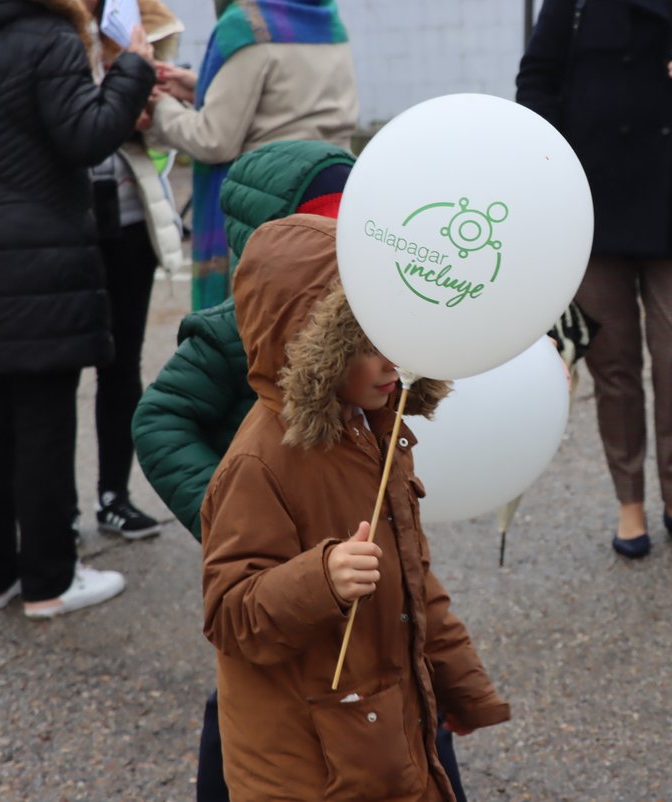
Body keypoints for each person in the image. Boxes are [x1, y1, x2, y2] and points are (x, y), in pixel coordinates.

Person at [133, 141, 476, 802]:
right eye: (329, 225)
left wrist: (462, 683)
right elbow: (160, 419)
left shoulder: (374, 371)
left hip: (352, 587)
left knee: (396, 701)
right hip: (280, 567)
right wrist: (229, 514)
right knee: (259, 711)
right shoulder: (232, 335)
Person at [201, 213, 509, 800]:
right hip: (306, 768)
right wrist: (322, 579)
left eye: (395, 332)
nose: (392, 360)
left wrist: (460, 682)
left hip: (378, 739)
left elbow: (411, 576)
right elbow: (230, 616)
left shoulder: (376, 431)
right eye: (365, 344)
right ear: (312, 347)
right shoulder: (259, 463)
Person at [516, 0, 672, 558]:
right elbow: (537, 79)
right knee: (614, 361)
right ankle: (629, 501)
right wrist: (542, 171)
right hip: (590, 202)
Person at [0, 0, 155, 617]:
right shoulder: (48, 36)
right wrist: (134, 67)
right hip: (37, 257)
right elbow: (86, 136)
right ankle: (49, 581)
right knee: (42, 420)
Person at [146, 0, 358, 309]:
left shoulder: (248, 24)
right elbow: (291, 101)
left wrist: (159, 106)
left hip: (270, 204)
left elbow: (213, 139)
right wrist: (202, 91)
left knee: (259, 333)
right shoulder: (325, 15)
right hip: (333, 197)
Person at [83, 0, 187, 539]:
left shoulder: (133, 18)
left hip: (129, 218)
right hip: (66, 221)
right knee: (51, 374)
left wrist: (146, 100)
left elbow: (153, 117)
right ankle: (53, 512)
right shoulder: (45, 25)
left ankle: (113, 496)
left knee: (121, 366)